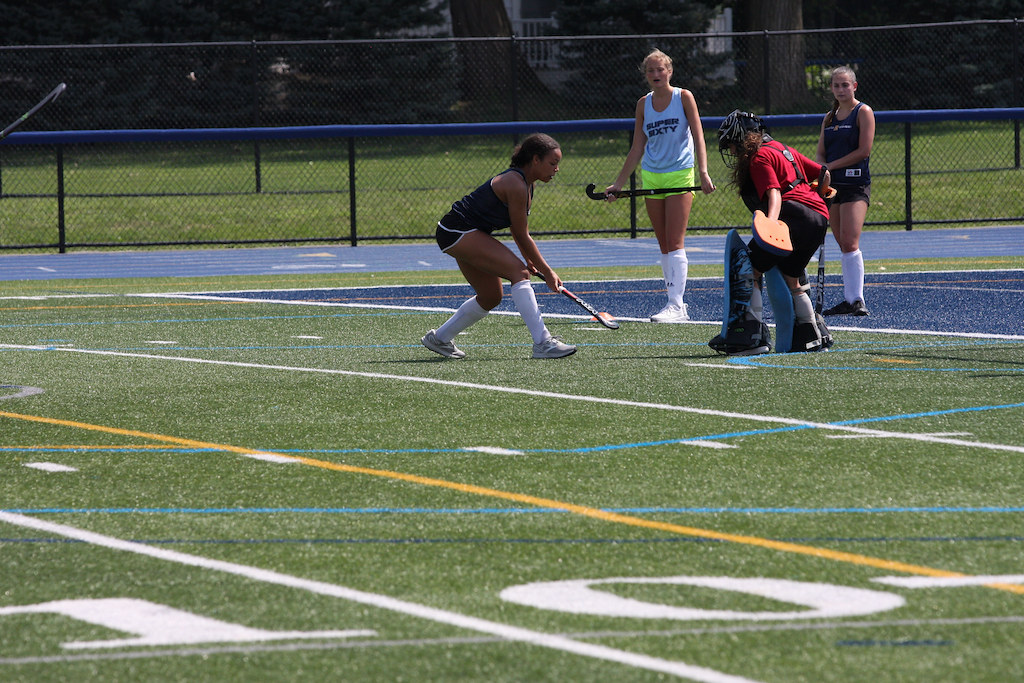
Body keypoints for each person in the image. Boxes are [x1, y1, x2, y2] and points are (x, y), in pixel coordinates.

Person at [421, 133, 576, 360]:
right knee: (519, 273)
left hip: (463, 233)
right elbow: (523, 235)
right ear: (535, 160)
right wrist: (546, 270)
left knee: (491, 296)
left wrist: (531, 260)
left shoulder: (526, 185)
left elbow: (516, 229)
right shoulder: (515, 183)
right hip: (457, 232)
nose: (556, 170)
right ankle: (543, 343)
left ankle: (439, 338)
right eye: (552, 163)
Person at [604, 49, 715, 323]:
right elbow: (637, 147)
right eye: (650, 70)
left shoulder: (684, 97)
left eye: (660, 69)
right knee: (663, 243)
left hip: (679, 174)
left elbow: (699, 136)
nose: (655, 74)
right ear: (646, 74)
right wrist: (618, 184)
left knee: (676, 241)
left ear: (670, 71)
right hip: (652, 176)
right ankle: (674, 303)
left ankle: (676, 305)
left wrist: (703, 172)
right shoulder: (643, 104)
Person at [710, 110, 833, 355]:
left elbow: (774, 193)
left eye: (733, 145)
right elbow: (824, 174)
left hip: (792, 215)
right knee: (792, 278)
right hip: (819, 217)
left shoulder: (759, 157)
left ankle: (750, 337)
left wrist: (771, 226)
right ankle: (810, 336)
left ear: (743, 139)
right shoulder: (781, 148)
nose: (733, 152)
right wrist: (821, 194)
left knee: (748, 269)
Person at [816, 65, 875, 316]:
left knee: (850, 241)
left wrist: (831, 166)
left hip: (855, 184)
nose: (840, 89)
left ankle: (858, 299)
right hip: (833, 187)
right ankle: (849, 299)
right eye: (836, 85)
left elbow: (864, 151)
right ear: (831, 88)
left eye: (845, 85)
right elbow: (821, 151)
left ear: (854, 86)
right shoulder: (829, 117)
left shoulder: (863, 112)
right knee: (842, 242)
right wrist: (820, 169)